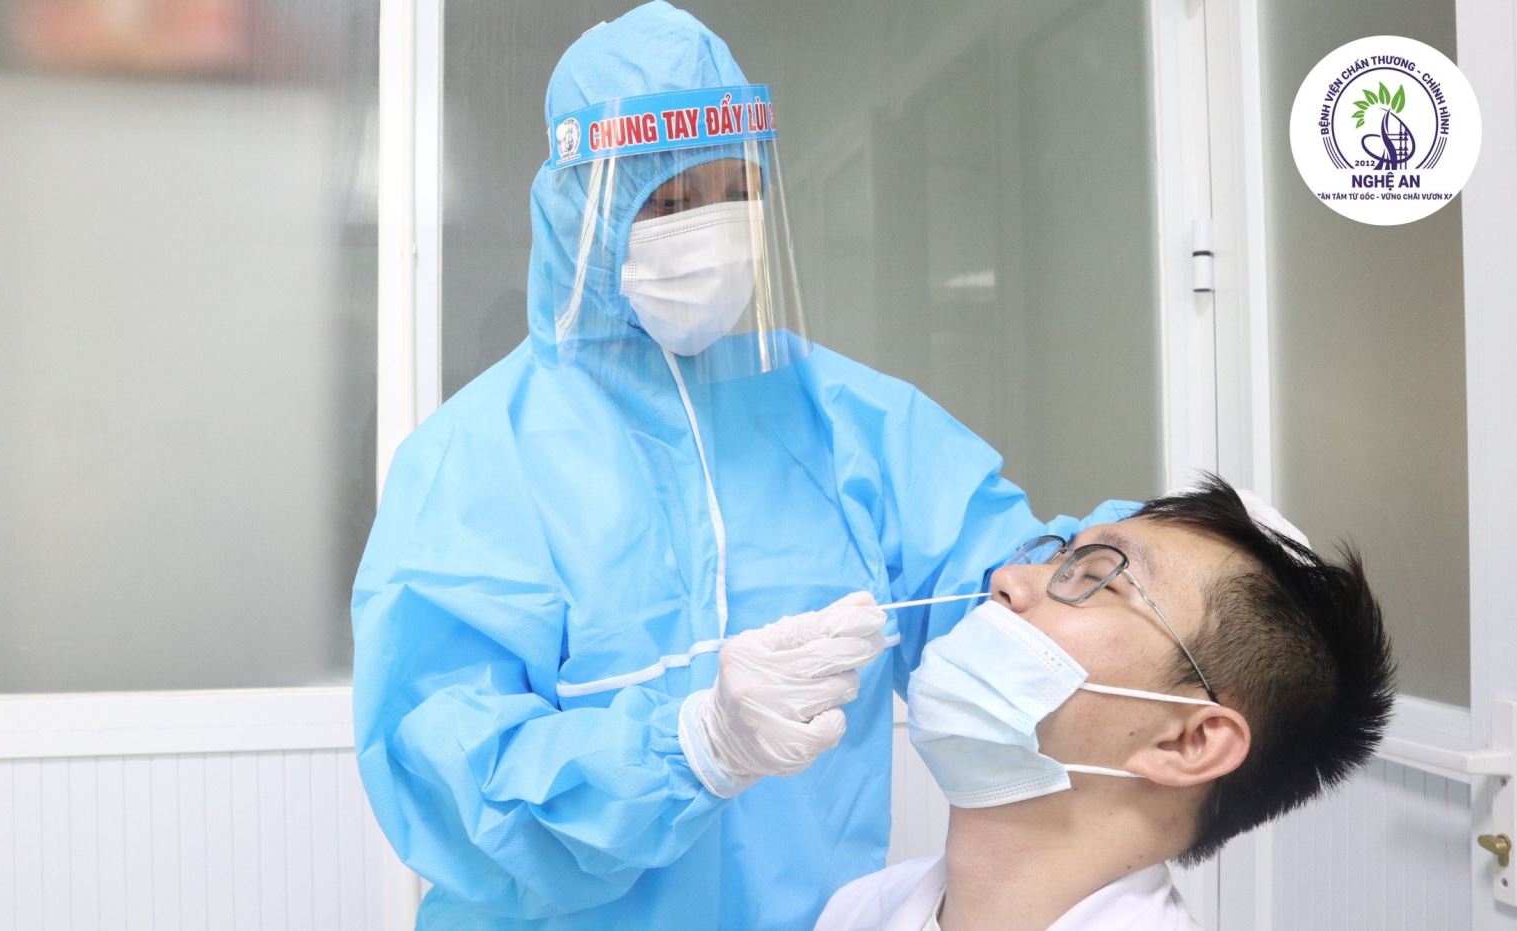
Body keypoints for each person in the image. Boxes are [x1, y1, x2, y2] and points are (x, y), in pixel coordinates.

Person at [349, 2, 1129, 928]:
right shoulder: (476, 460)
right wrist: (694, 746)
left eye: (734, 191)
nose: (710, 229)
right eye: (670, 200)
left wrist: (1165, 556)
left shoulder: (847, 422)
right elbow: (450, 780)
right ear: (583, 211)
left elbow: (1011, 592)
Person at [816, 476, 1396, 930]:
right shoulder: (860, 908)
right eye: (1057, 557)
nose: (1008, 578)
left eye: (1097, 577)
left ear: (1188, 741)